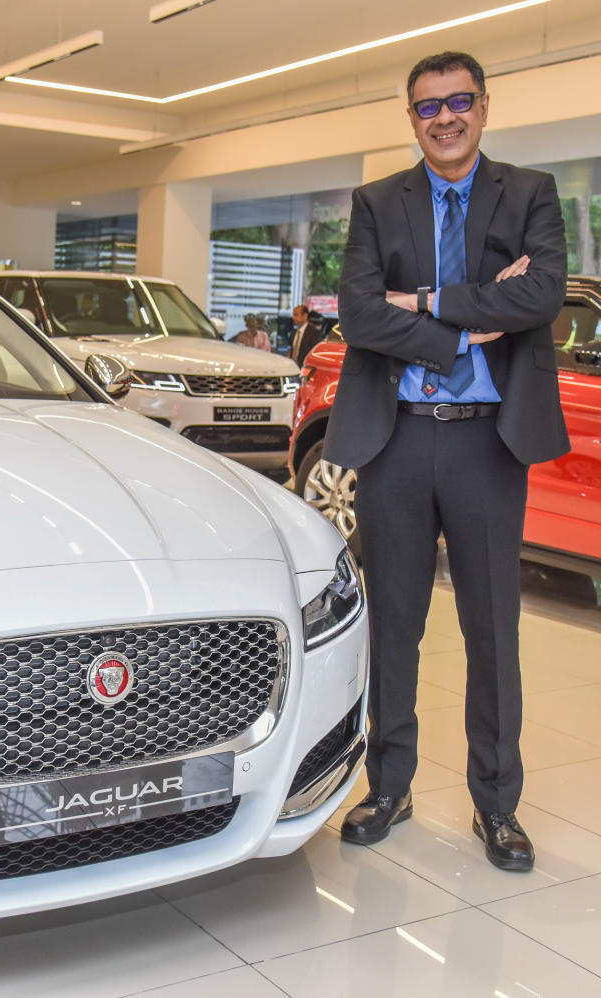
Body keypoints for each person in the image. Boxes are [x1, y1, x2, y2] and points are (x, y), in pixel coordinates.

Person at [326, 51, 568, 872]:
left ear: (484, 107)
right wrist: (463, 329)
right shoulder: (376, 202)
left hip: (487, 442)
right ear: (412, 118)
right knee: (394, 625)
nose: (445, 118)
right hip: (395, 438)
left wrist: (424, 301)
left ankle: (497, 805)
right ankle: (388, 788)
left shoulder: (530, 194)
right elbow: (360, 314)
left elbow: (539, 296)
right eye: (429, 106)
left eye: (459, 101)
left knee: (491, 631)